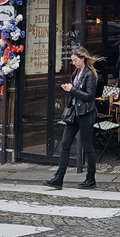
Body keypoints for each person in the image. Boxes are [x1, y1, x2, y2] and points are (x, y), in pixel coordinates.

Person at [45, 46, 101, 190]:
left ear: (82, 58)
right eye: (72, 61)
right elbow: (77, 93)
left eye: (75, 60)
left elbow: (89, 96)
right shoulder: (76, 72)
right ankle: (59, 177)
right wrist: (69, 89)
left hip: (85, 113)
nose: (73, 63)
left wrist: (72, 90)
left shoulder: (89, 74)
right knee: (65, 144)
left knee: (87, 146)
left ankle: (91, 178)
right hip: (74, 113)